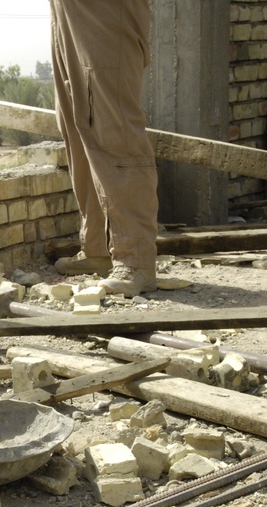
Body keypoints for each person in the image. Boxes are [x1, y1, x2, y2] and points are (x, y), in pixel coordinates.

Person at [50, 0, 160, 297]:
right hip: (66, 12)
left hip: (105, 11)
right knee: (75, 124)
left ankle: (135, 259)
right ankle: (97, 246)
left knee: (114, 130)